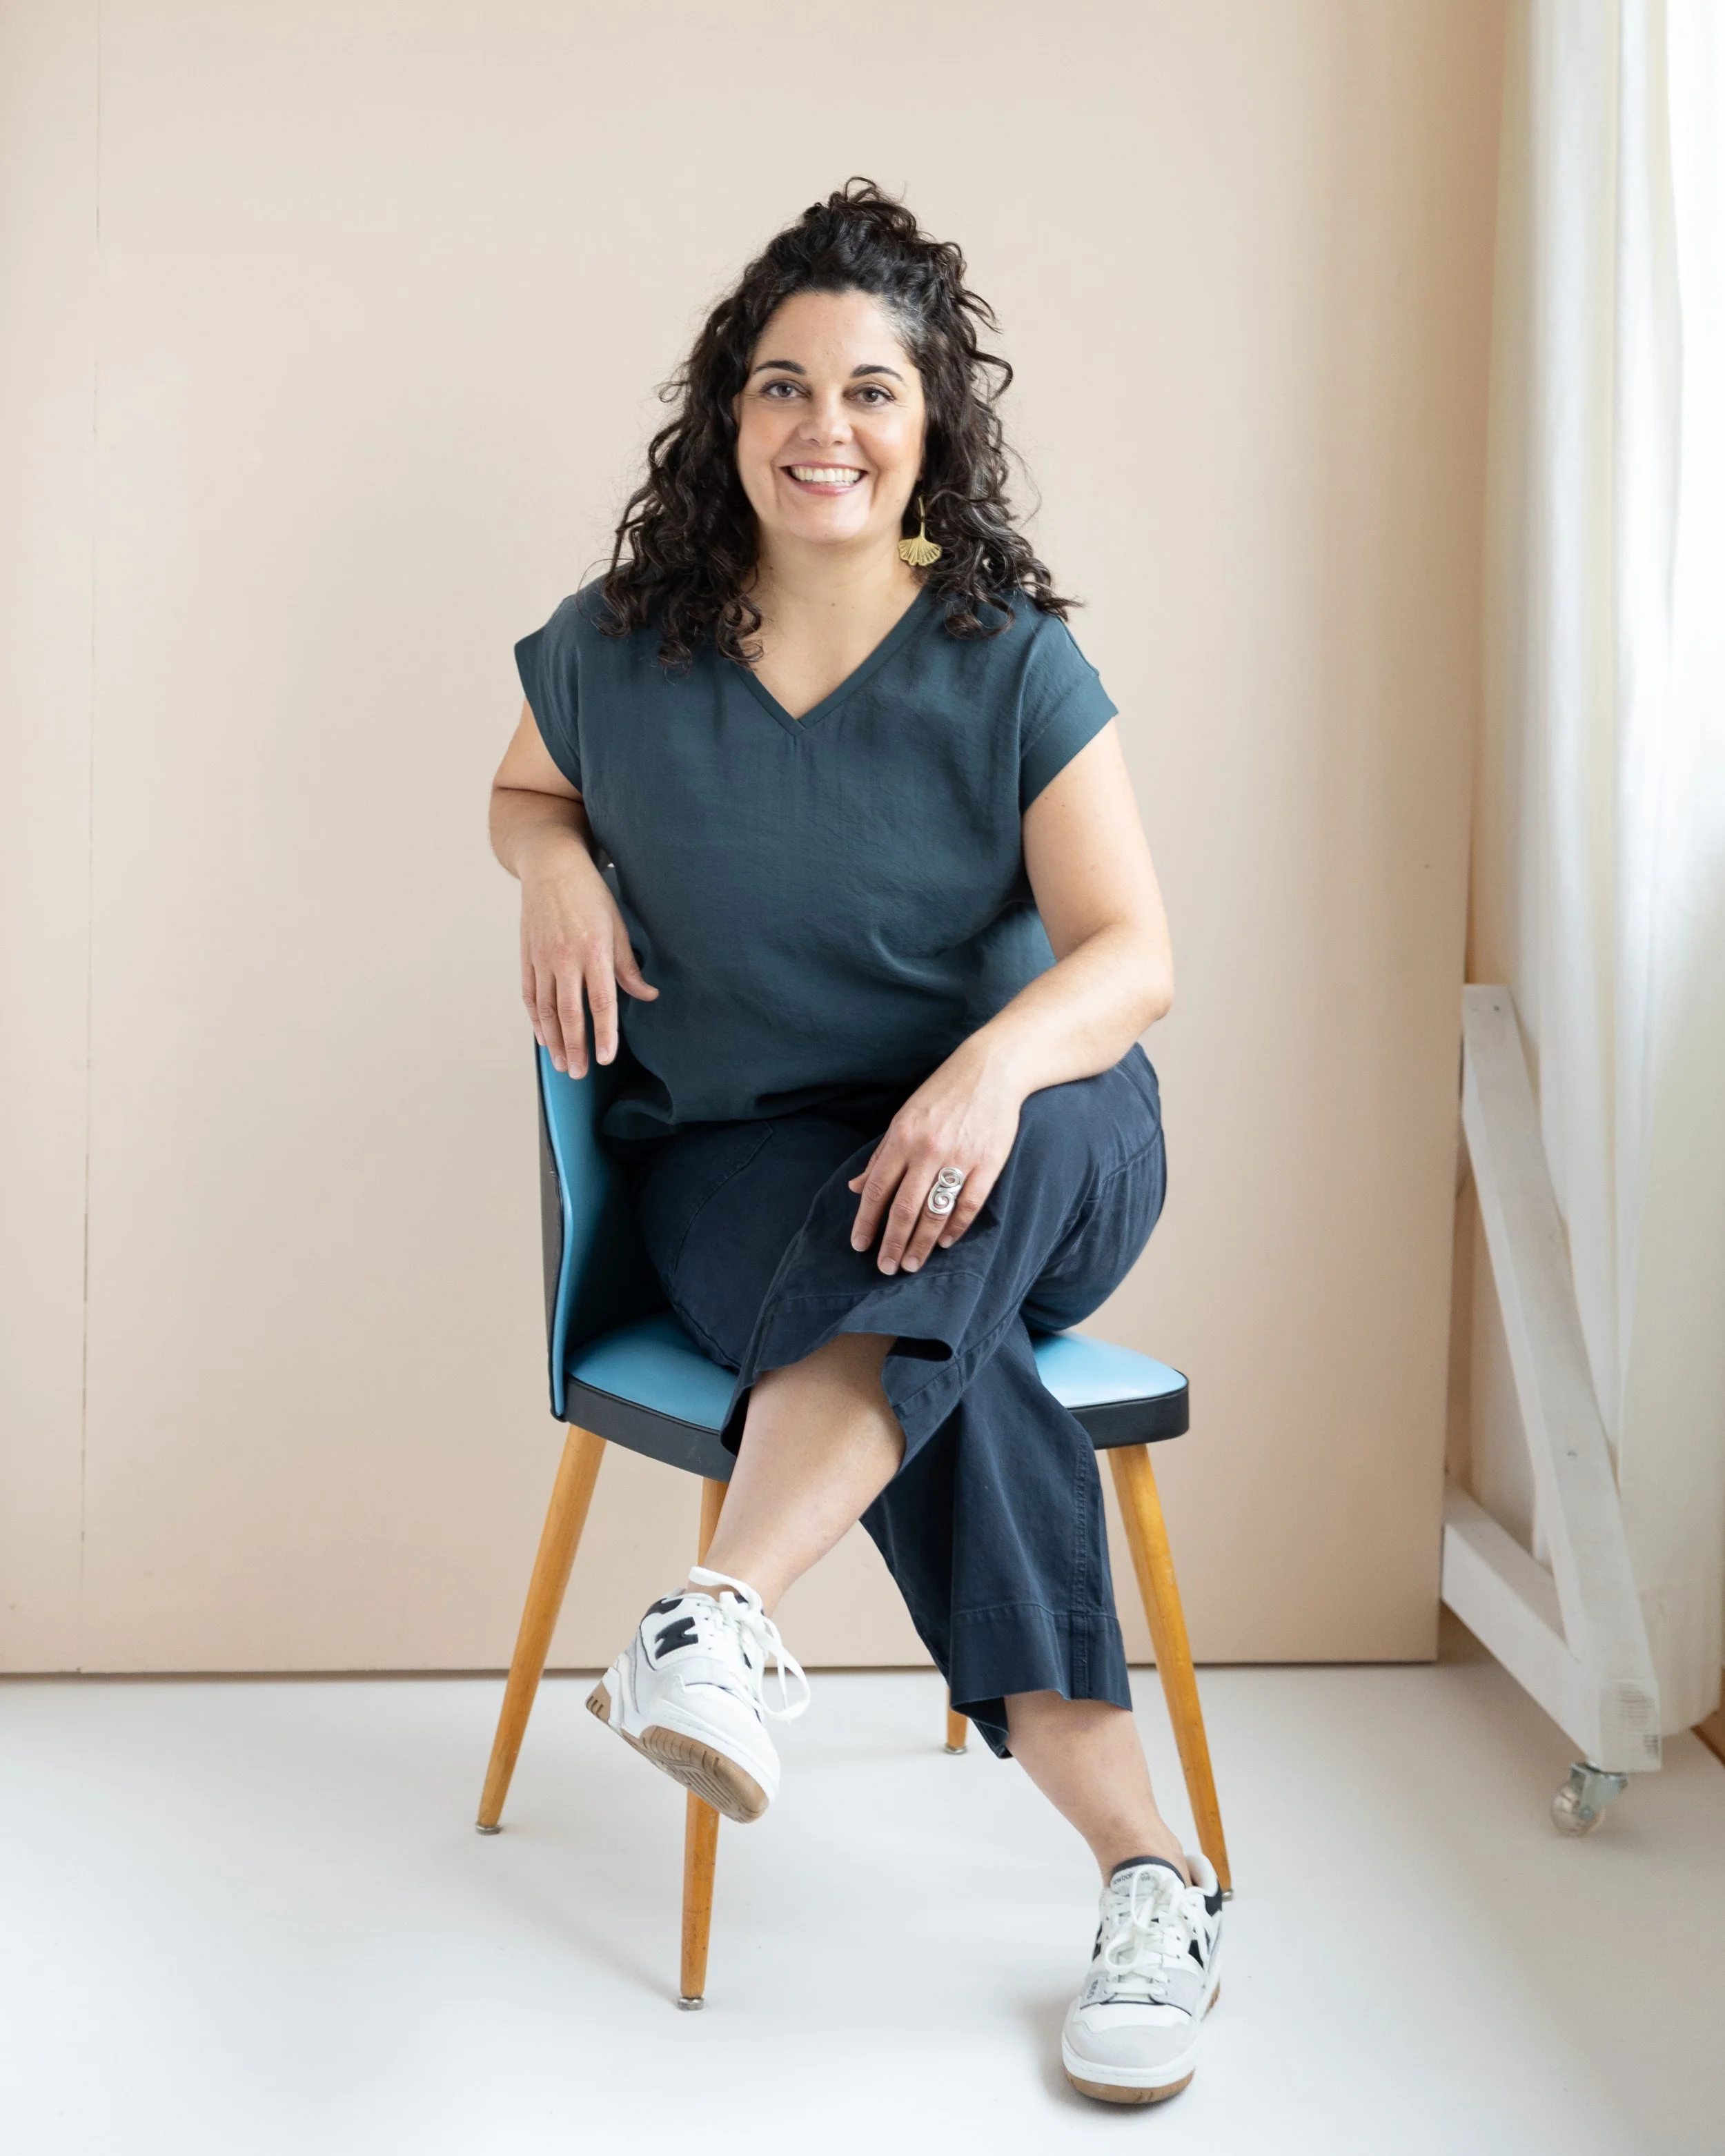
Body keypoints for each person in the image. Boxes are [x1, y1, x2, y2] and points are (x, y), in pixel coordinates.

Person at [489, 180, 1220, 2106]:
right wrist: (550, 860)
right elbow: (520, 788)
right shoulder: (619, 646)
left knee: (968, 1186)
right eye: (784, 386)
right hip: (750, 1164)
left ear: (931, 423)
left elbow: (1131, 956)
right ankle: (1151, 1878)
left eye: (872, 390)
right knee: (954, 1371)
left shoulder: (1009, 660)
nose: (826, 427)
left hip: (1037, 1136)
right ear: (726, 414)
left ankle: (721, 1607)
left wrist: (984, 1075)